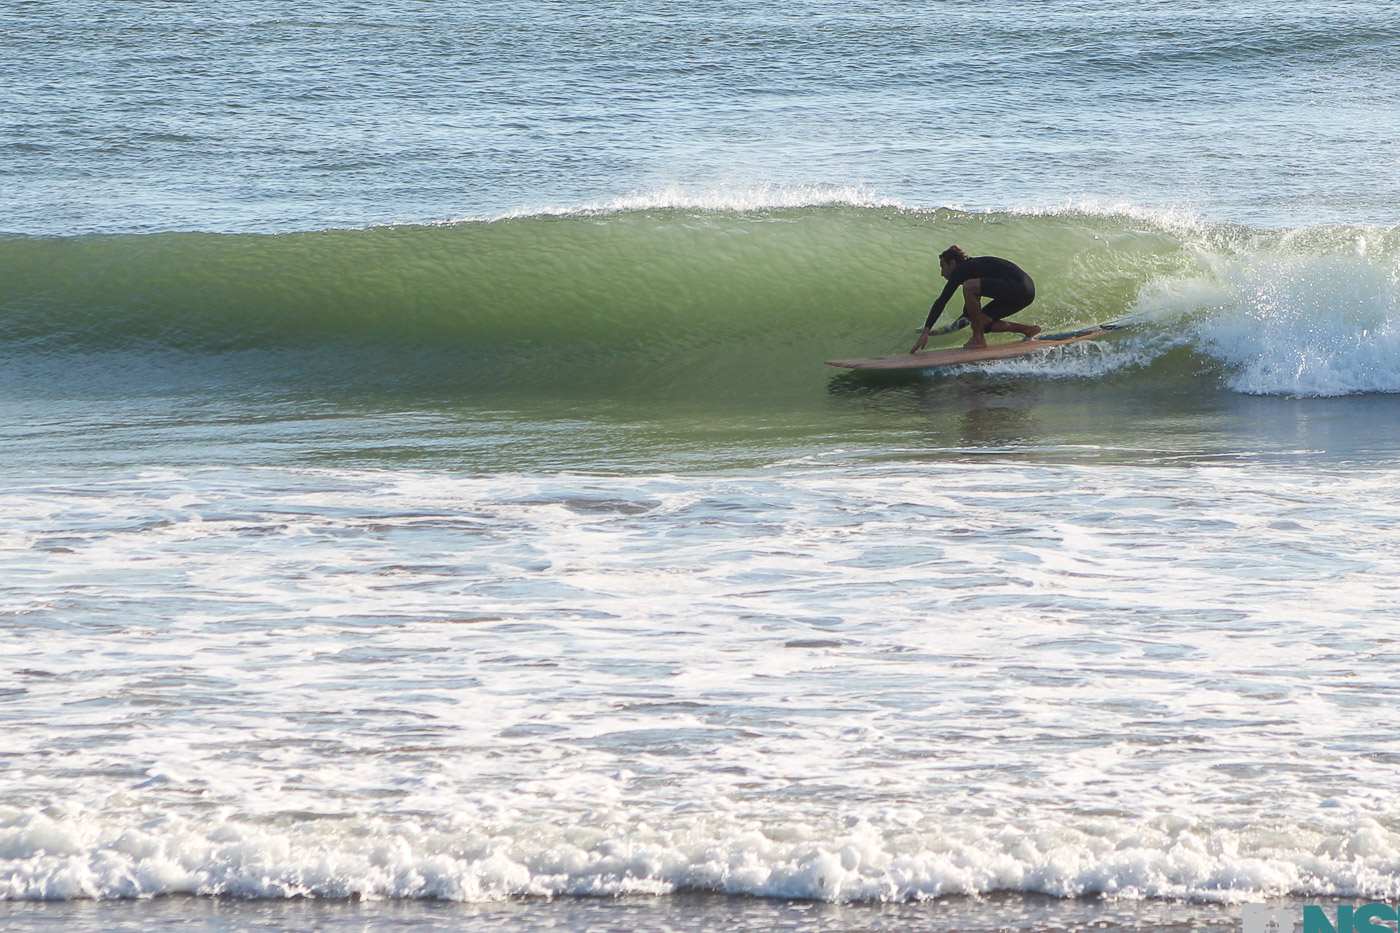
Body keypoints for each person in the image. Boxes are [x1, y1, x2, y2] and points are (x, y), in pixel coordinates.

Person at [910, 246, 1041, 352]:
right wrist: (941, 331)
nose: (942, 273)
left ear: (953, 264)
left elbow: (942, 300)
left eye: (942, 266)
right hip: (1024, 293)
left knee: (969, 286)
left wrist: (925, 331)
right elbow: (967, 317)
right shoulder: (973, 275)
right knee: (978, 322)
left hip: (1020, 287)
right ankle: (1028, 330)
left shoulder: (963, 270)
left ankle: (978, 339)